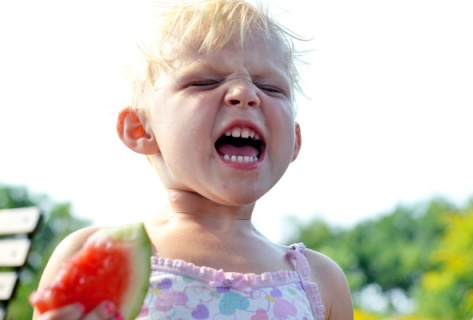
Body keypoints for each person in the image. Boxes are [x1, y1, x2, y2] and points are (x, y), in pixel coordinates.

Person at [32, 0, 353, 319]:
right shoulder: (90, 251)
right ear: (141, 129)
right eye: (205, 82)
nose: (245, 93)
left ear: (295, 141)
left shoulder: (320, 279)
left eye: (270, 87)